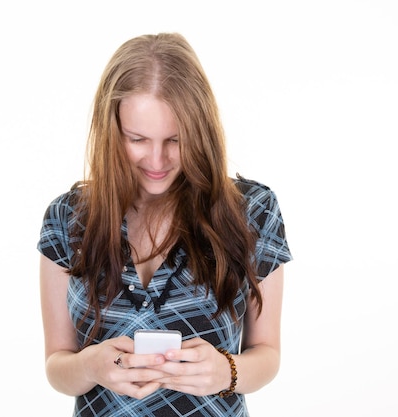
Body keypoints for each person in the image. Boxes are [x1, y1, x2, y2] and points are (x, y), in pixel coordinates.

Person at [37, 32, 292, 417]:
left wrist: (228, 371)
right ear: (112, 132)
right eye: (137, 139)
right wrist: (90, 366)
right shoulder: (66, 218)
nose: (157, 160)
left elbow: (268, 354)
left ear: (201, 132)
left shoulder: (252, 211)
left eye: (175, 139)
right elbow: (58, 364)